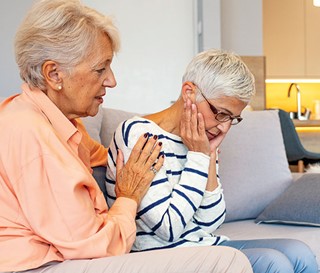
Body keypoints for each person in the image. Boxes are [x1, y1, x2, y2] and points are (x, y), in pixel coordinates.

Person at [0, 1, 255, 273]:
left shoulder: (62, 124)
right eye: (100, 69)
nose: (111, 81)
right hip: (43, 265)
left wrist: (199, 152)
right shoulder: (32, 135)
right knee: (228, 260)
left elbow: (113, 158)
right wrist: (129, 197)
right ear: (54, 74)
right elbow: (94, 245)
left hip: (72, 255)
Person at [106, 49, 318, 273]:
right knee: (274, 262)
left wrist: (208, 156)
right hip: (161, 255)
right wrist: (199, 157)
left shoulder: (201, 139)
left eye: (233, 118)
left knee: (299, 252)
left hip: (204, 246)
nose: (224, 127)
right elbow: (168, 229)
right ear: (189, 92)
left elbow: (210, 223)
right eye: (221, 113)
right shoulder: (139, 134)